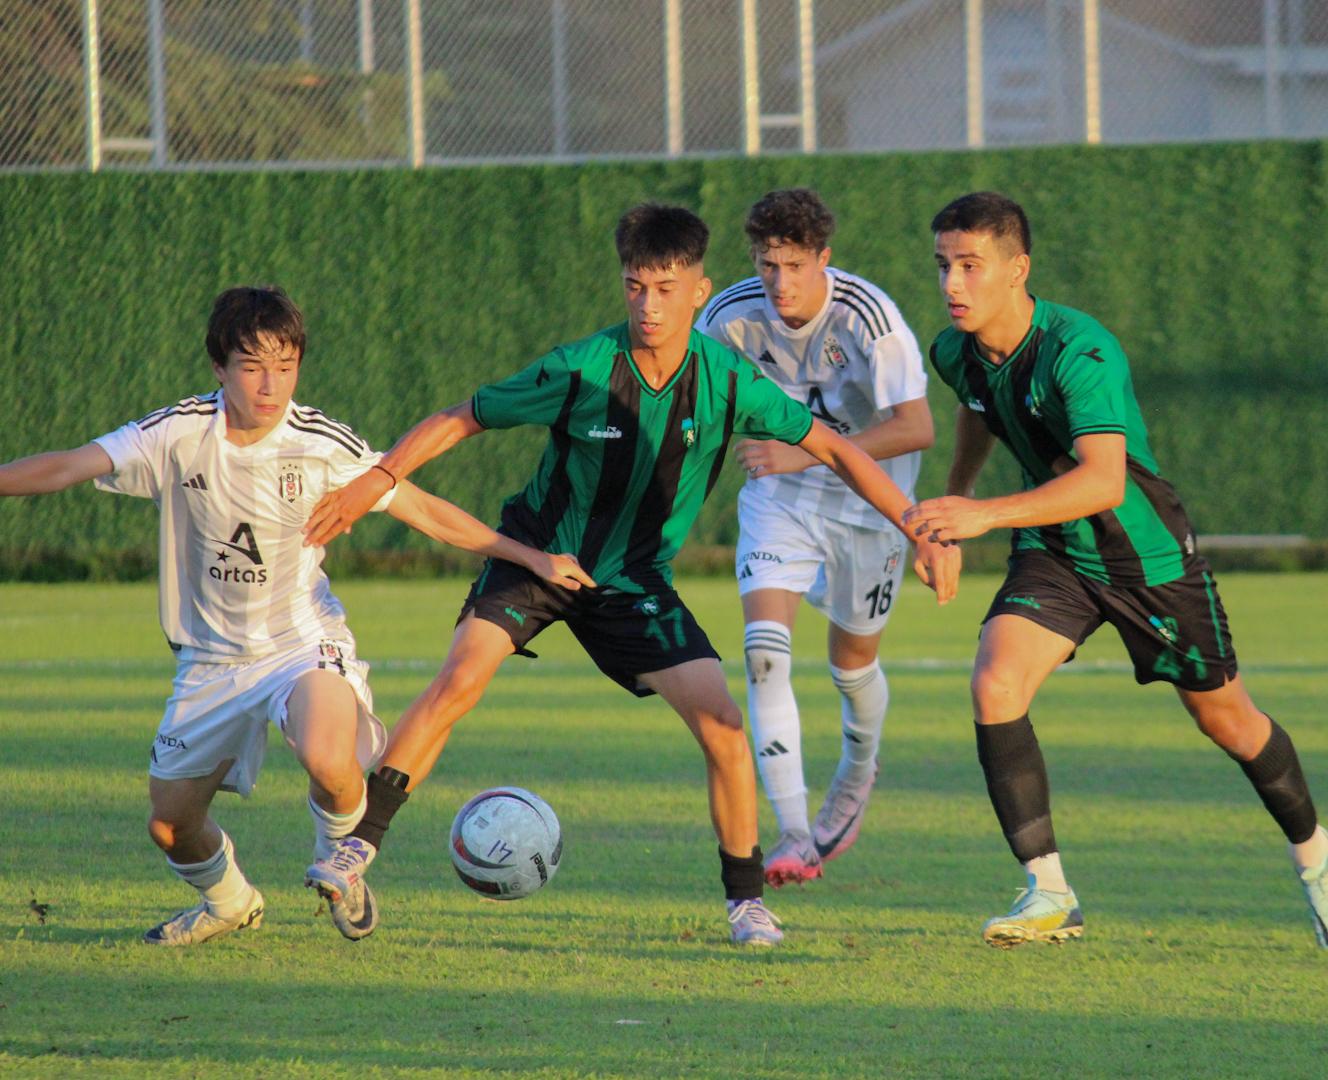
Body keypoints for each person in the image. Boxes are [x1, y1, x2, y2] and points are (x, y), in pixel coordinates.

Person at [302, 204, 958, 946]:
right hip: (540, 554)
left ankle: (746, 904)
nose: (649, 305)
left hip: (636, 581)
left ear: (700, 290)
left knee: (724, 725)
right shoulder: (580, 368)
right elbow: (464, 416)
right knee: (460, 679)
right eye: (635, 287)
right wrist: (378, 477)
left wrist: (917, 523)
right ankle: (356, 850)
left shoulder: (728, 380)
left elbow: (837, 449)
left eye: (666, 289)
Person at [0, 285, 589, 946]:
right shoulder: (177, 434)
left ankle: (344, 864)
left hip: (300, 644)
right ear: (219, 369)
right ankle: (229, 901)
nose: (270, 383)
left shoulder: (319, 444)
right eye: (252, 365)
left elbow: (421, 508)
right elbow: (70, 465)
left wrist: (531, 558)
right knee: (170, 825)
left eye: (285, 365)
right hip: (211, 663)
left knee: (330, 757)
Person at [904, 191, 1328, 950]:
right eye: (944, 264)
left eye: (971, 266)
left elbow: (1104, 481)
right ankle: (1049, 891)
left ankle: (1319, 862)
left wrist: (981, 517)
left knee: (1227, 720)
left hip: (1144, 558)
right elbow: (976, 407)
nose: (952, 283)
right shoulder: (954, 350)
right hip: (1054, 552)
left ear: (1019, 270)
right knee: (994, 682)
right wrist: (957, 500)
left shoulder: (1081, 349)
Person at [695, 188, 933, 887]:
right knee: (764, 656)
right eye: (768, 265)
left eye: (795, 266)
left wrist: (805, 449)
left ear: (824, 259)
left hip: (870, 509)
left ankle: (858, 772)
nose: (780, 283)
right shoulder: (729, 317)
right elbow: (697, 405)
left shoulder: (869, 318)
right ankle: (795, 832)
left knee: (851, 666)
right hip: (781, 501)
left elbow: (917, 426)